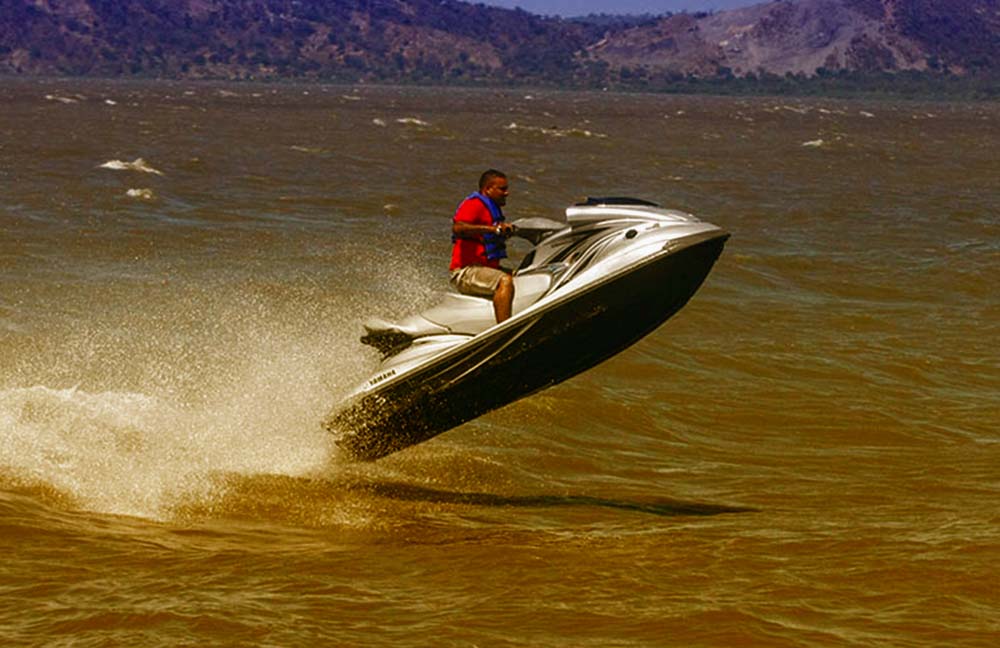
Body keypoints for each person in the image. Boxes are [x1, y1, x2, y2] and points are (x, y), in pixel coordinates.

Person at [450, 169, 517, 323]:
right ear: (487, 189)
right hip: (465, 272)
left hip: (484, 270)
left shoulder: (492, 210)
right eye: (502, 189)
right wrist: (493, 229)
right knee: (505, 281)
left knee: (525, 275)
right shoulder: (475, 204)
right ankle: (504, 329)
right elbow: (458, 228)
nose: (507, 193)